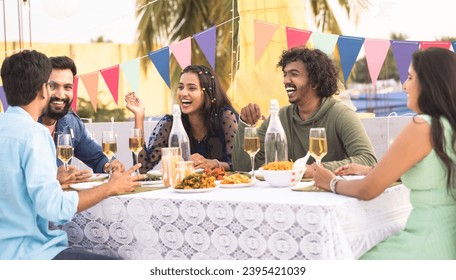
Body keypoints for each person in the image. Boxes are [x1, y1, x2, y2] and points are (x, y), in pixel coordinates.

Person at [0, 50, 145, 260]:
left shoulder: (11, 126)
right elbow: (54, 208)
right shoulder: (34, 133)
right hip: (25, 253)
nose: (59, 93)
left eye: (67, 86)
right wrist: (110, 187)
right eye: (52, 86)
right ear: (43, 89)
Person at [313, 47, 456, 259]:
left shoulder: (423, 126)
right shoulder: (448, 126)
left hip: (423, 245)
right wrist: (372, 169)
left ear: (429, 83)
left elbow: (368, 189)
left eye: (409, 77)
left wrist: (331, 182)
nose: (405, 85)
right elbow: (436, 173)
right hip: (446, 245)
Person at [232, 47, 377, 176]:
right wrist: (245, 123)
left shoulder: (341, 114)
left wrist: (317, 169)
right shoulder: (281, 117)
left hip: (332, 195)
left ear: (315, 81)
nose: (285, 81)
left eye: (293, 74)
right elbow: (244, 167)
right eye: (285, 74)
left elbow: (367, 159)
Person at [125, 64, 239, 173]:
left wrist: (214, 164)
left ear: (208, 94)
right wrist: (139, 116)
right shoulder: (171, 124)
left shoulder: (226, 117)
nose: (183, 93)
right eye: (180, 87)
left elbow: (240, 165)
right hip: (187, 189)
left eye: (192, 88)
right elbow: (142, 168)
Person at [38, 56, 124, 186]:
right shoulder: (22, 126)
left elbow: (98, 158)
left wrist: (108, 166)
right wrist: (54, 178)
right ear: (40, 88)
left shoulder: (71, 123)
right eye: (53, 86)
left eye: (67, 87)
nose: (61, 95)